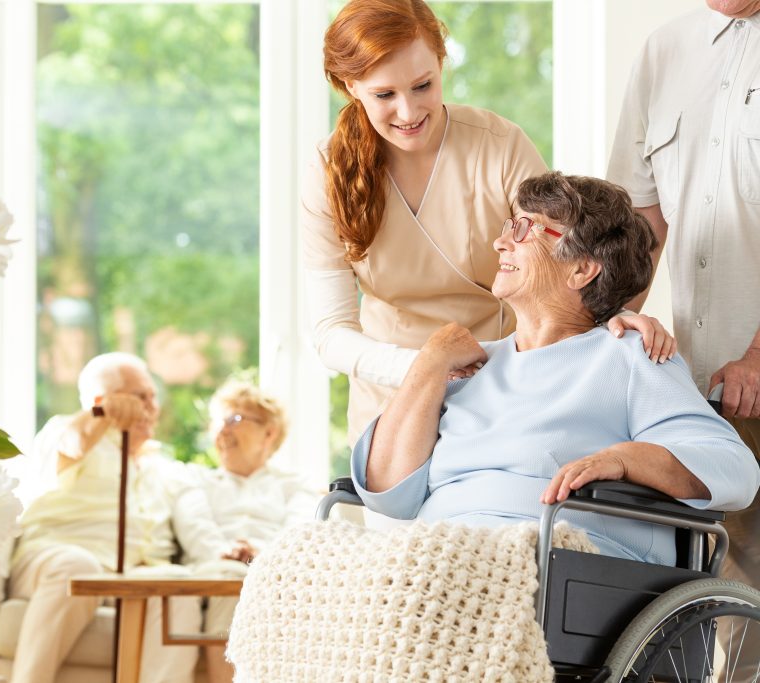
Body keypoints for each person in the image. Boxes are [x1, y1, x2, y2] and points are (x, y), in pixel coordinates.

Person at [303, 0, 674, 443]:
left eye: (423, 85)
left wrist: (614, 318)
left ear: (442, 63)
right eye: (385, 95)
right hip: (392, 394)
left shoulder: (499, 147)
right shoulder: (329, 172)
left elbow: (565, 255)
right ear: (351, 86)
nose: (408, 111)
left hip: (504, 384)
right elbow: (332, 332)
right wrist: (426, 367)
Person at [350, 172, 760, 567]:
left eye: (524, 229)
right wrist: (431, 360)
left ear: (581, 269)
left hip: (552, 565)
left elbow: (734, 470)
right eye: (510, 226)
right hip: (437, 559)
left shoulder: (629, 355)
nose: (499, 242)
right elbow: (386, 491)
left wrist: (625, 459)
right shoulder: (466, 366)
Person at [607, 3, 760, 675]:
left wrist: (758, 354)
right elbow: (639, 218)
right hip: (696, 387)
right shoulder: (664, 51)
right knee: (706, 590)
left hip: (750, 368)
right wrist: (611, 329)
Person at [8, 352, 199, 683]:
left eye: (153, 397)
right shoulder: (66, 431)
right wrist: (102, 414)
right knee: (78, 567)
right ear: (100, 399)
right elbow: (73, 443)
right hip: (60, 559)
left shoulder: (162, 466)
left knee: (177, 586)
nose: (151, 407)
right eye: (140, 396)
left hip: (134, 574)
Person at [173, 381, 317, 683]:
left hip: (275, 573)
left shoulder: (295, 484)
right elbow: (194, 527)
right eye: (218, 422)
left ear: (269, 432)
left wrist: (261, 554)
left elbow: (300, 529)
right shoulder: (196, 480)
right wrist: (225, 553)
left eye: (234, 419)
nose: (222, 431)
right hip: (215, 574)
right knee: (231, 575)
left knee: (260, 578)